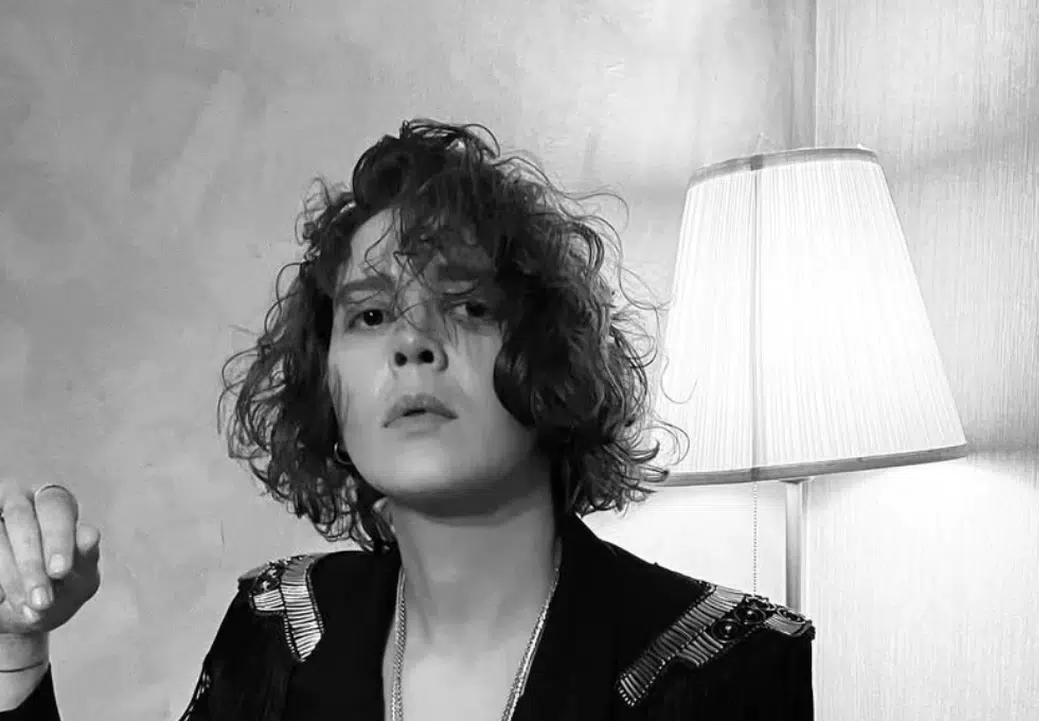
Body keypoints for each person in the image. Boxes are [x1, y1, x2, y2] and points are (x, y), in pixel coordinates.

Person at [0, 119, 815, 720]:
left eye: (467, 304)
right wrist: (14, 654)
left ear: (550, 355)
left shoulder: (727, 666)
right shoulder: (277, 627)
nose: (413, 343)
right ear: (326, 379)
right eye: (370, 313)